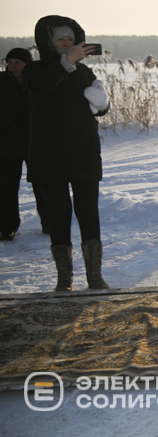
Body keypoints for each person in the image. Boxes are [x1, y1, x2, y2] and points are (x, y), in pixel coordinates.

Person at [23, 16, 110, 291]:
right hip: (49, 154)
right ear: (49, 43)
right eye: (60, 39)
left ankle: (94, 276)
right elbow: (39, 88)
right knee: (58, 215)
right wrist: (66, 62)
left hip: (83, 151)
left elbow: (96, 107)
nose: (66, 44)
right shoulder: (34, 70)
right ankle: (64, 279)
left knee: (88, 213)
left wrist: (102, 104)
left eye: (70, 40)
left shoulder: (84, 72)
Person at [1, 48, 49, 240]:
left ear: (27, 64)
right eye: (9, 61)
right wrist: (11, 119)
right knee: (6, 188)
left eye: (17, 62)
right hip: (6, 143)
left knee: (43, 184)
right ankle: (6, 227)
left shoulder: (36, 82)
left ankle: (50, 224)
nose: (12, 66)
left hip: (34, 141)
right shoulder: (1, 82)